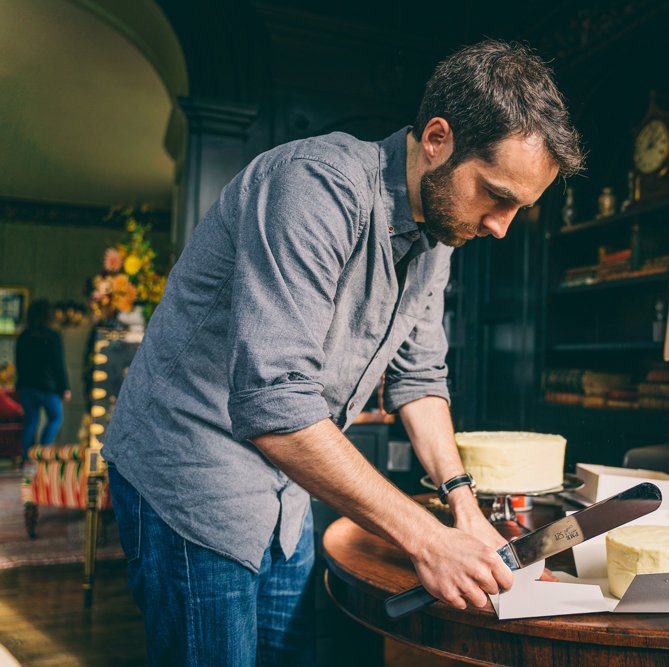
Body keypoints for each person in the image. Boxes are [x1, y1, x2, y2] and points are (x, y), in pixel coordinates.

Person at [101, 39, 584, 665]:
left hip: (286, 489)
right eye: (496, 194)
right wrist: (427, 540)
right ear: (437, 138)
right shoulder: (313, 186)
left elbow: (419, 376)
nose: (501, 226)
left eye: (520, 207)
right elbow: (276, 404)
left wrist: (462, 505)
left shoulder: (440, 233)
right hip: (191, 474)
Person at [15, 299, 71, 459]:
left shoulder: (24, 336)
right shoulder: (53, 336)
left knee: (31, 422)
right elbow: (58, 364)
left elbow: (19, 362)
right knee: (56, 418)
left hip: (26, 387)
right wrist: (64, 388)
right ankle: (42, 453)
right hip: (48, 387)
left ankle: (27, 458)